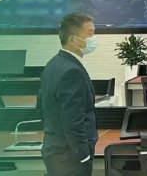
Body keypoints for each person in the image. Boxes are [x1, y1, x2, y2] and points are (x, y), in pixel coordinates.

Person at [39, 13, 99, 176]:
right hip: (70, 158)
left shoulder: (54, 64)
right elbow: (73, 120)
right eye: (90, 34)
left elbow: (41, 109)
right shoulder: (71, 72)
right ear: (73, 39)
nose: (94, 38)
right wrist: (83, 155)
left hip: (56, 150)